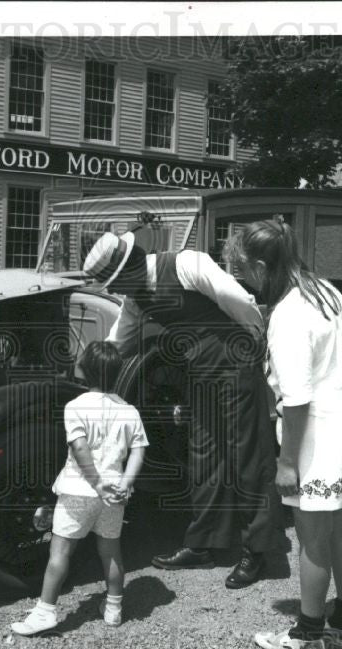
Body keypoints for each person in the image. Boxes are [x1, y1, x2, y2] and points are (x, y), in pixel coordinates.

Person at [81, 225, 280, 589]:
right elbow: (119, 342)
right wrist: (89, 372)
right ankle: (203, 544)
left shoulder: (187, 264)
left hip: (235, 365)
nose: (112, 291)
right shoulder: (137, 297)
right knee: (204, 456)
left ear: (129, 268)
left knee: (248, 458)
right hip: (199, 375)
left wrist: (256, 351)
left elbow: (239, 303)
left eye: (114, 282)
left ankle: (258, 550)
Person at [224, 220, 342, 649]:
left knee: (312, 538)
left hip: (317, 429)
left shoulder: (288, 314)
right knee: (338, 527)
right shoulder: (326, 290)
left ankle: (307, 634)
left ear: (262, 265)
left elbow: (297, 398)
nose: (242, 280)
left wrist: (287, 463)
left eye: (243, 270)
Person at [11, 341, 148, 635]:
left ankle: (45, 611)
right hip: (114, 493)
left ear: (84, 371)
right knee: (111, 551)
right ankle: (113, 609)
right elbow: (138, 451)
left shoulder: (75, 405)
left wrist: (96, 483)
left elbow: (80, 447)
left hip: (79, 489)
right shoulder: (130, 411)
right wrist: (124, 484)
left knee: (60, 552)